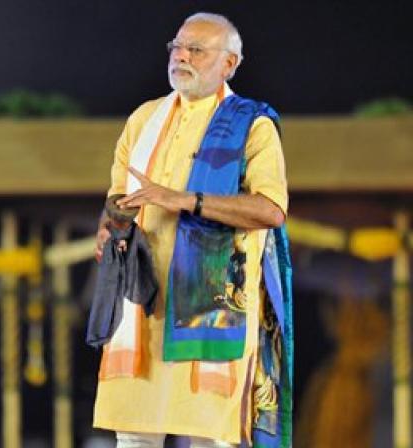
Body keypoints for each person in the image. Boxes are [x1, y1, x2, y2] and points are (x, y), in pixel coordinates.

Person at [93, 12, 293, 448]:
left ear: (230, 64)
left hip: (211, 306)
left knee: (208, 437)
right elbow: (117, 196)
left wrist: (185, 200)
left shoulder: (251, 125)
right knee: (133, 437)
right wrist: (110, 228)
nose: (180, 56)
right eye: (177, 47)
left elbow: (271, 210)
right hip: (142, 304)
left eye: (196, 50)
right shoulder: (142, 120)